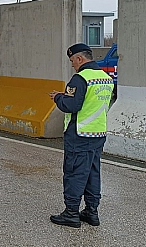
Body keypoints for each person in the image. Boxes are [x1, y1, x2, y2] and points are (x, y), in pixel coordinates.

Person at [49, 43, 114, 228]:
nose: (72, 65)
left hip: (80, 134)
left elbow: (71, 106)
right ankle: (91, 211)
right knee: (92, 173)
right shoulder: (105, 78)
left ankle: (71, 213)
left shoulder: (80, 78)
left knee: (74, 173)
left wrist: (57, 97)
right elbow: (89, 102)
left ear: (79, 58)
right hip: (98, 132)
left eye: (72, 61)